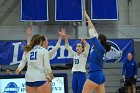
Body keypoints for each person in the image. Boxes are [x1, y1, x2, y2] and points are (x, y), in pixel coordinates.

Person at [82, 10, 111, 93]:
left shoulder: (99, 47)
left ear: (99, 40)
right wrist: (89, 20)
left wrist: (87, 17)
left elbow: (91, 32)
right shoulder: (100, 47)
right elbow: (94, 31)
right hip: (100, 75)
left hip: (94, 75)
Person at [63, 28, 90, 93]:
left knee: (80, 91)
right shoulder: (74, 54)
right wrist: (66, 38)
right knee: (74, 91)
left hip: (81, 75)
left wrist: (84, 41)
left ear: (82, 48)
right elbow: (67, 46)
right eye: (77, 46)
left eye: (79, 46)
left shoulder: (84, 54)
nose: (77, 47)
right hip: (74, 75)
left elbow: (88, 46)